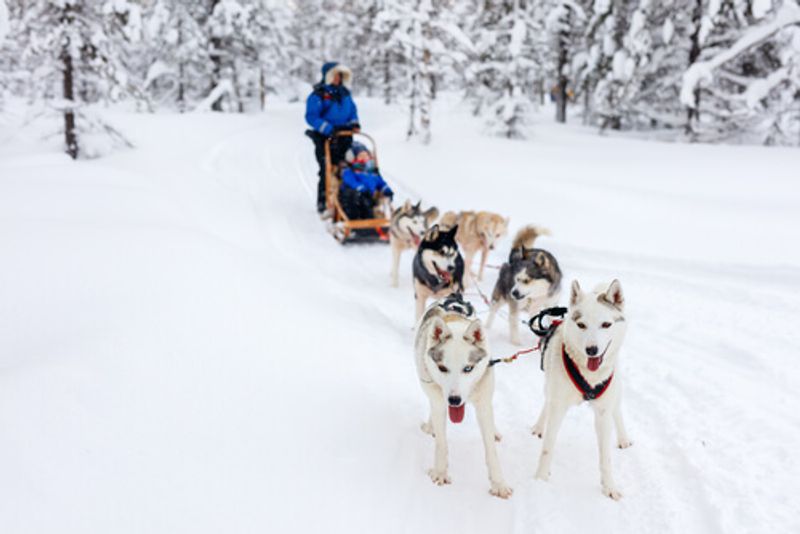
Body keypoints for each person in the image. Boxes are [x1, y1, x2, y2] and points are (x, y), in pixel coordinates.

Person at [305, 62, 361, 214]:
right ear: (328, 76)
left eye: (340, 75)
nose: (338, 78)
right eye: (335, 75)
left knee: (347, 167)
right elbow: (311, 117)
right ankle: (323, 202)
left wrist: (355, 123)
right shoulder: (319, 95)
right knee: (326, 169)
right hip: (325, 138)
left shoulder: (345, 94)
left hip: (344, 136)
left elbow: (352, 111)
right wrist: (328, 129)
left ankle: (347, 200)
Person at [339, 143, 393, 220]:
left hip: (369, 197)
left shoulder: (372, 172)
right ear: (354, 158)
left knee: (370, 206)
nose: (364, 158)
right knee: (355, 197)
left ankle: (371, 220)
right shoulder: (349, 170)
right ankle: (354, 221)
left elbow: (380, 182)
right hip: (352, 197)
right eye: (361, 155)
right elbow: (351, 181)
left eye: (366, 155)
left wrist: (386, 189)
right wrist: (361, 188)